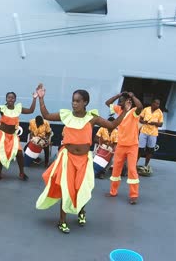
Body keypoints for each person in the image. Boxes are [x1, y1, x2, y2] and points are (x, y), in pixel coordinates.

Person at [35, 85, 129, 234]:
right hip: (68, 158)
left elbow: (112, 124)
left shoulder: (92, 118)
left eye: (78, 101)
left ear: (85, 102)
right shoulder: (66, 115)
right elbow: (46, 115)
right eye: (73, 101)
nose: (74, 103)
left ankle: (81, 212)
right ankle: (62, 221)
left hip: (84, 160)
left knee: (82, 188)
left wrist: (125, 111)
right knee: (67, 188)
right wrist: (41, 98)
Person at [0, 88, 38, 181]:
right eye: (9, 97)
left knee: (20, 154)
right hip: (1, 135)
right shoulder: (2, 109)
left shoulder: (18, 109)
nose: (10, 99)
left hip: (13, 136)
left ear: (15, 99)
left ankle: (21, 173)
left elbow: (31, 110)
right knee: (0, 154)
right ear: (6, 99)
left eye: (12, 98)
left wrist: (34, 98)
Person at [104, 91, 143, 205]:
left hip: (132, 146)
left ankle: (134, 195)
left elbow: (140, 106)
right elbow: (107, 103)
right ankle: (113, 191)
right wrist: (118, 95)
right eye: (119, 101)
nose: (119, 103)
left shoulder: (133, 112)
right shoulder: (119, 110)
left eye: (121, 101)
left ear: (127, 102)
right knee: (116, 168)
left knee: (131, 170)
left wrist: (132, 96)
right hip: (120, 145)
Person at [138, 98, 163, 175]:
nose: (157, 105)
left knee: (150, 150)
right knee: (140, 149)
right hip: (144, 132)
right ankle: (134, 164)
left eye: (158, 104)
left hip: (153, 134)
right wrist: (143, 121)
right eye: (156, 103)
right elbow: (140, 119)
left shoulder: (160, 112)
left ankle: (146, 165)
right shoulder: (146, 109)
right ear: (152, 103)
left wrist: (154, 123)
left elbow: (161, 124)